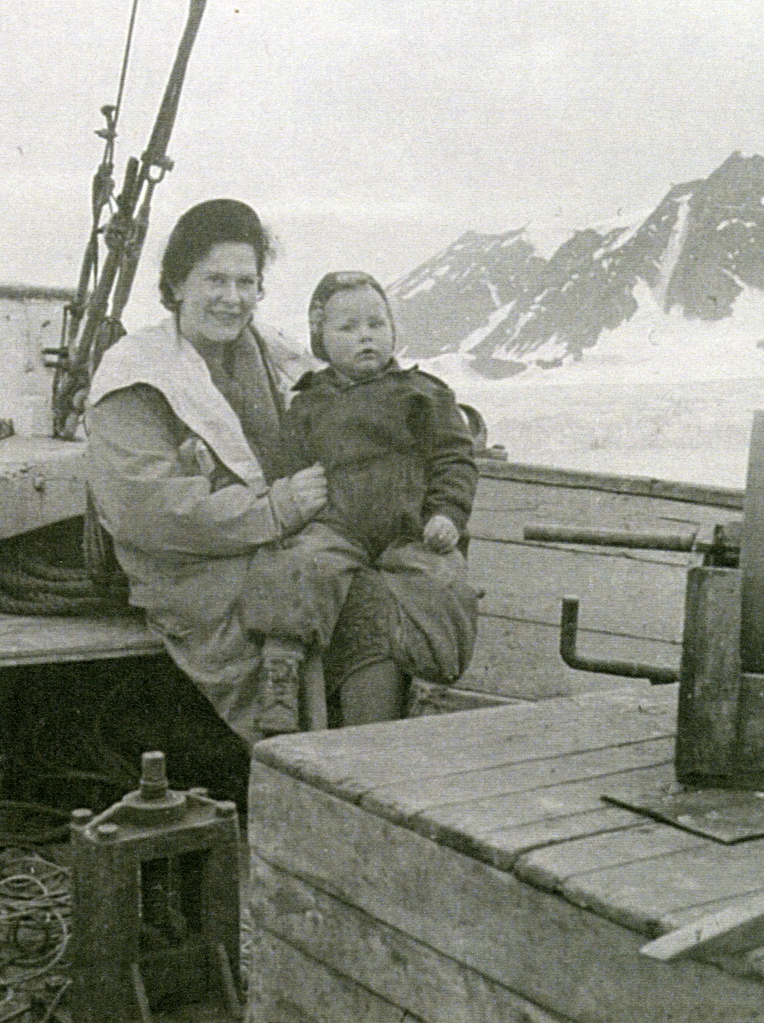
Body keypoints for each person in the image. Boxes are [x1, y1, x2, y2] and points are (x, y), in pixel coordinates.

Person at [85, 199, 478, 749]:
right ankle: (324, 757)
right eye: (214, 280)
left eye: (247, 282)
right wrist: (276, 508)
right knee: (357, 596)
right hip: (193, 561)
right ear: (176, 285)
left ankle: (363, 756)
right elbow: (145, 514)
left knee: (398, 581)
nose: (233, 298)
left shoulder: (265, 350)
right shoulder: (135, 375)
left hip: (284, 534)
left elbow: (356, 398)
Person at [241, 271, 479, 734]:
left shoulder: (425, 394)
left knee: (444, 582)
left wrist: (447, 514)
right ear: (321, 340)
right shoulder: (310, 403)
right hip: (336, 528)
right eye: (347, 328)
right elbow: (283, 465)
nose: (365, 336)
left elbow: (455, 459)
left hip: (410, 531)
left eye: (376, 324)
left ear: (393, 329)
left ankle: (430, 685)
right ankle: (281, 669)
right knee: (292, 565)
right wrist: (288, 495)